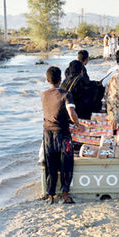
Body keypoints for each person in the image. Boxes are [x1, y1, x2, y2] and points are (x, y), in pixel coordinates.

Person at [41, 66, 84, 204]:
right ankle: (65, 193)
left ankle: (51, 195)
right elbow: (72, 113)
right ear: (61, 79)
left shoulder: (43, 94)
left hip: (47, 133)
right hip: (62, 133)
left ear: (47, 80)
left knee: (50, 163)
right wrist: (78, 125)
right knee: (66, 163)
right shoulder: (66, 94)